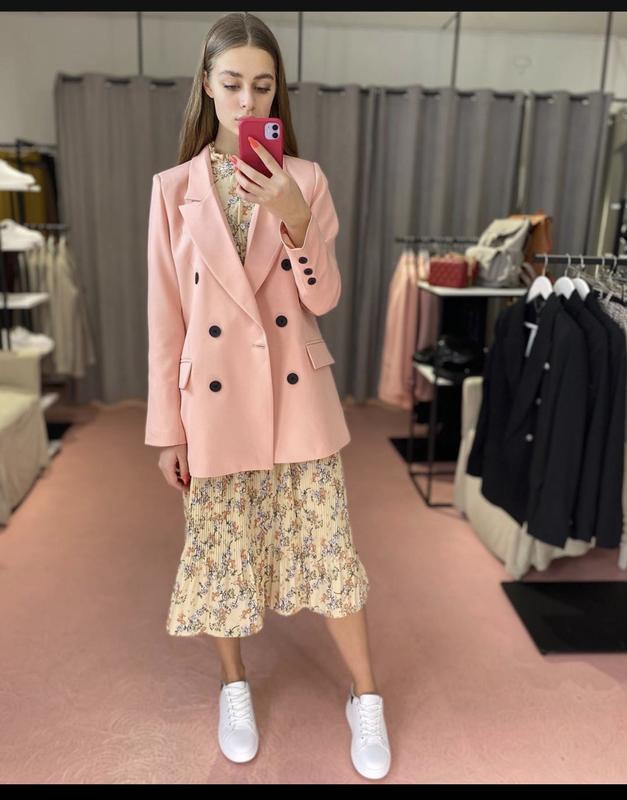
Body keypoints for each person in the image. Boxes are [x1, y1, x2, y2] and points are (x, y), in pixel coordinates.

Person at [144, 12, 391, 781]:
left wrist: (293, 216)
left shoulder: (304, 179)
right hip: (213, 407)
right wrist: (168, 430)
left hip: (295, 401)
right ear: (207, 86)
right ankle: (234, 687)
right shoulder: (172, 191)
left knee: (328, 550)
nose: (247, 101)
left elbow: (325, 297)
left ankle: (366, 695)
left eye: (262, 85)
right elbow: (165, 318)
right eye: (232, 84)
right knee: (223, 554)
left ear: (278, 90)